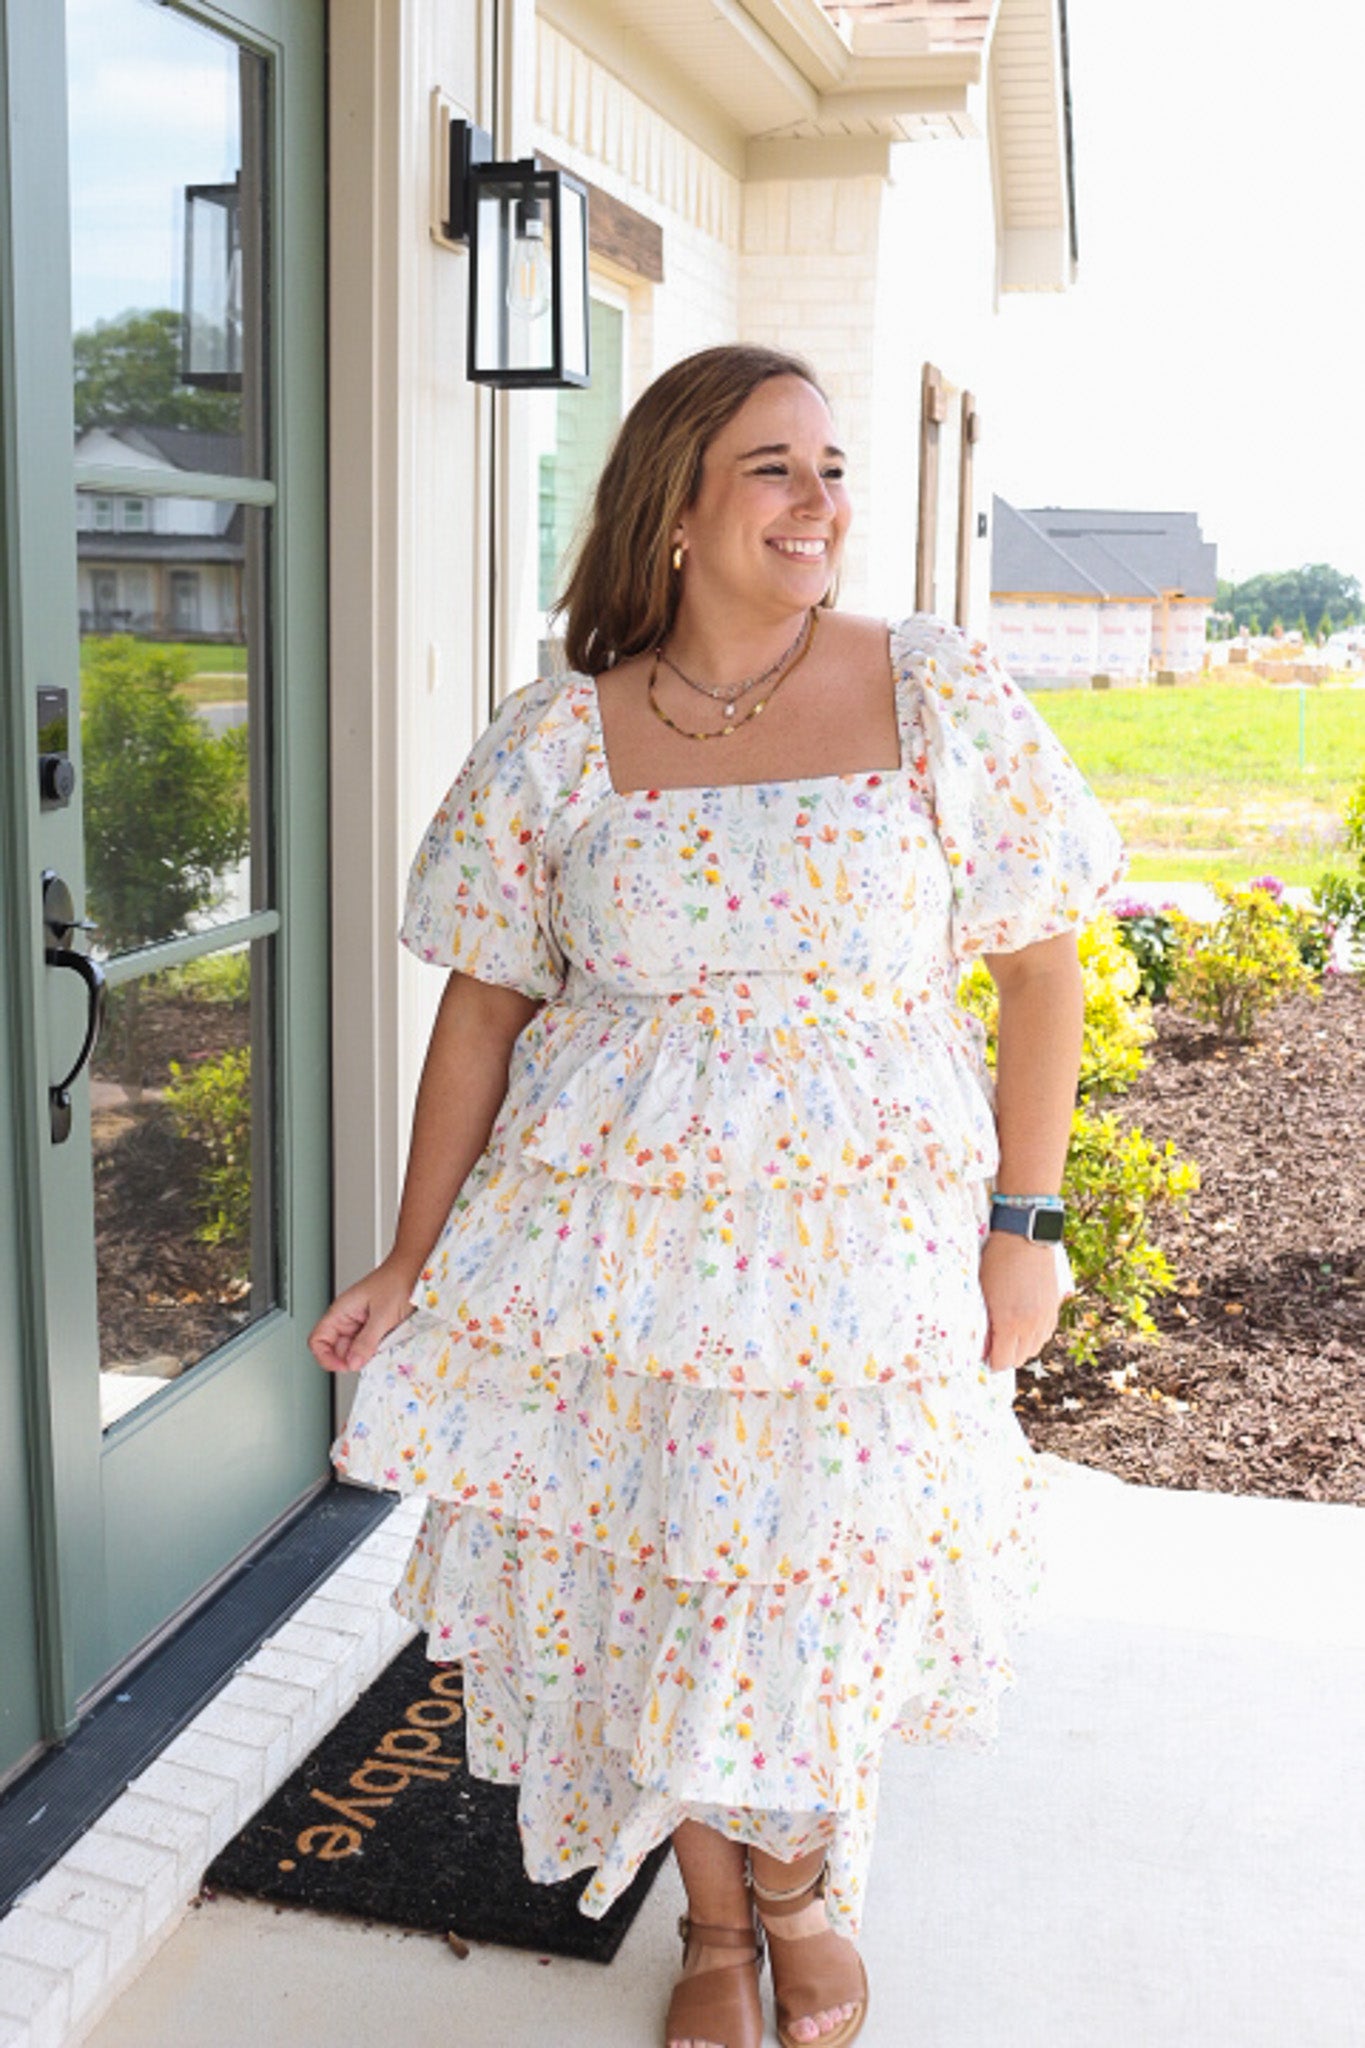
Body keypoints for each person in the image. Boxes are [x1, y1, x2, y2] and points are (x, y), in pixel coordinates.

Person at [311, 344, 1123, 2048]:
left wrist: (1025, 1227)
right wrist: (407, 1255)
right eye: (772, 467)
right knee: (657, 1577)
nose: (819, 502)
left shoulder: (932, 688)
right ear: (672, 507)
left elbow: (1040, 970)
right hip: (613, 1258)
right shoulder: (556, 737)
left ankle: (801, 1891)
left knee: (808, 1579)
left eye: (831, 468)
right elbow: (482, 1007)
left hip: (858, 1252)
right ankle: (710, 1924)